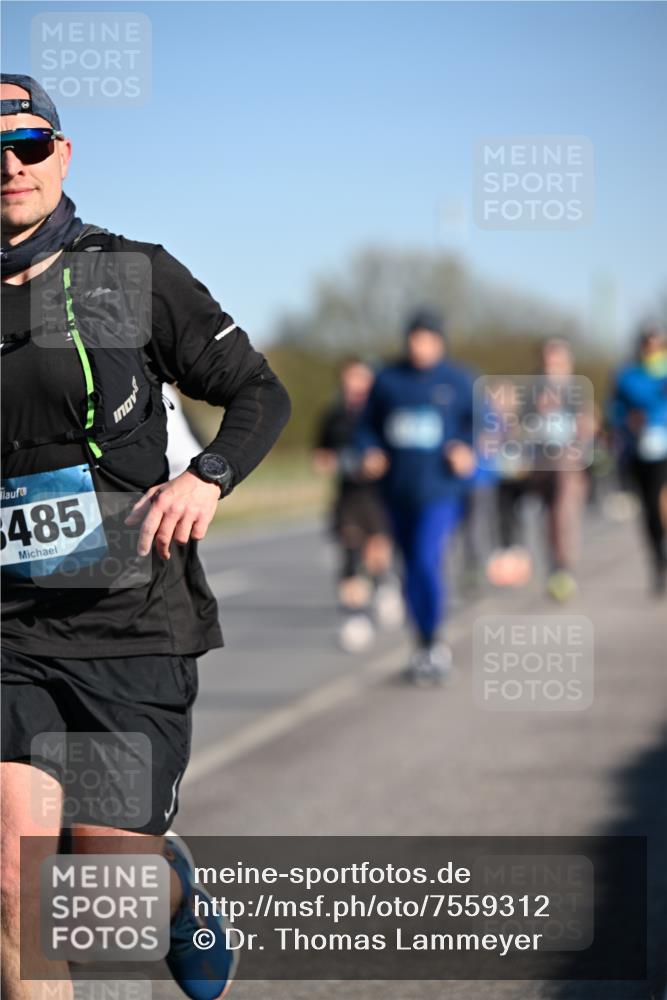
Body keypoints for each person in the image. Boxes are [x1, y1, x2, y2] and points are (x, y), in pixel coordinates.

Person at [0, 75, 291, 1000]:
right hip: (10, 626)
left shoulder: (115, 278)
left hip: (129, 615)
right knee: (16, 880)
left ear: (64, 156)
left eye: (31, 145)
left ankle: (172, 894)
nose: (11, 166)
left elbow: (257, 392)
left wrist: (206, 478)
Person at [355, 309, 477, 683]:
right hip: (397, 491)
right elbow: (366, 428)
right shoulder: (388, 380)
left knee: (426, 560)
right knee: (410, 569)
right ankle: (422, 644)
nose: (418, 347)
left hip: (440, 490)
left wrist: (466, 449)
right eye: (413, 339)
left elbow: (479, 427)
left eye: (426, 339)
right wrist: (370, 450)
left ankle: (434, 642)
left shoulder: (458, 381)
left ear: (439, 342)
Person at [484, 338, 595, 602]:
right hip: (537, 463)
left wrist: (584, 432)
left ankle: (562, 569)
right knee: (543, 519)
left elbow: (588, 425)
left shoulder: (577, 391)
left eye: (557, 360)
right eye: (548, 360)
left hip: (567, 464)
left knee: (562, 515)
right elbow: (518, 425)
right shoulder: (532, 391)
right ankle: (548, 565)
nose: (552, 366)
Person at [313, 357, 402, 652]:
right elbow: (320, 456)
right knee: (349, 551)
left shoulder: (383, 414)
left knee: (376, 550)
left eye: (361, 379)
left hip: (378, 493)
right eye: (350, 379)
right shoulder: (334, 416)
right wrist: (338, 462)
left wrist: (380, 464)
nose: (355, 385)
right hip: (348, 494)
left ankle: (383, 584)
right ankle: (354, 618)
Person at [608, 323, 667, 594]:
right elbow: (614, 410)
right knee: (650, 508)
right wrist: (627, 420)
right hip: (640, 450)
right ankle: (658, 559)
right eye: (648, 346)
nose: (653, 351)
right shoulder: (627, 376)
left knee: (662, 498)